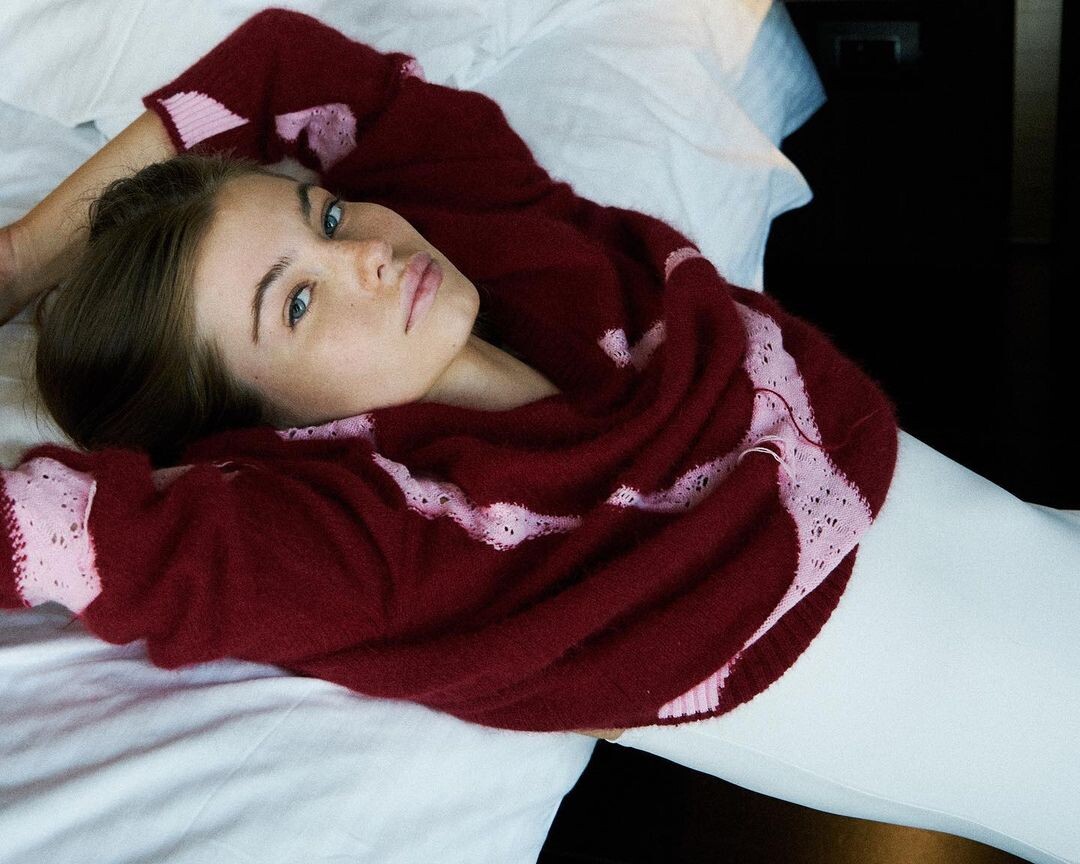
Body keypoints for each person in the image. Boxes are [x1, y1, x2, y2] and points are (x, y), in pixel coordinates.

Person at [0, 10, 1075, 863]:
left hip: (948, 508)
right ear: (258, 429)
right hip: (931, 689)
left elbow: (288, 64)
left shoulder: (485, 233)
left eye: (322, 216)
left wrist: (15, 263)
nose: (365, 251)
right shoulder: (377, 534)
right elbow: (56, 529)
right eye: (297, 303)